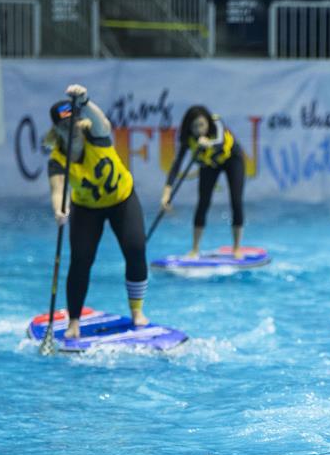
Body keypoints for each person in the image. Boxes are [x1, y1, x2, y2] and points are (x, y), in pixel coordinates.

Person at [46, 84, 148, 338]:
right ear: (58, 129)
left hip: (121, 199)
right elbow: (58, 190)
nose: (75, 127)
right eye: (67, 125)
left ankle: (137, 311)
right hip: (87, 208)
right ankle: (74, 322)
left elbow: (102, 121)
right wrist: (60, 209)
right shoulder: (58, 158)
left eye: (77, 121)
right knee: (81, 260)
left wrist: (85, 101)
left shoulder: (96, 134)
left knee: (135, 249)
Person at [160, 106, 246, 258]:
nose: (199, 130)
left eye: (201, 125)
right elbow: (177, 165)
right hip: (209, 164)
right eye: (194, 127)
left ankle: (237, 247)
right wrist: (166, 193)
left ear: (207, 122)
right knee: (203, 202)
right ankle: (195, 248)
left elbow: (219, 142)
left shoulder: (216, 122)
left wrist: (208, 143)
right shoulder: (188, 138)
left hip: (232, 159)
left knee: (236, 201)